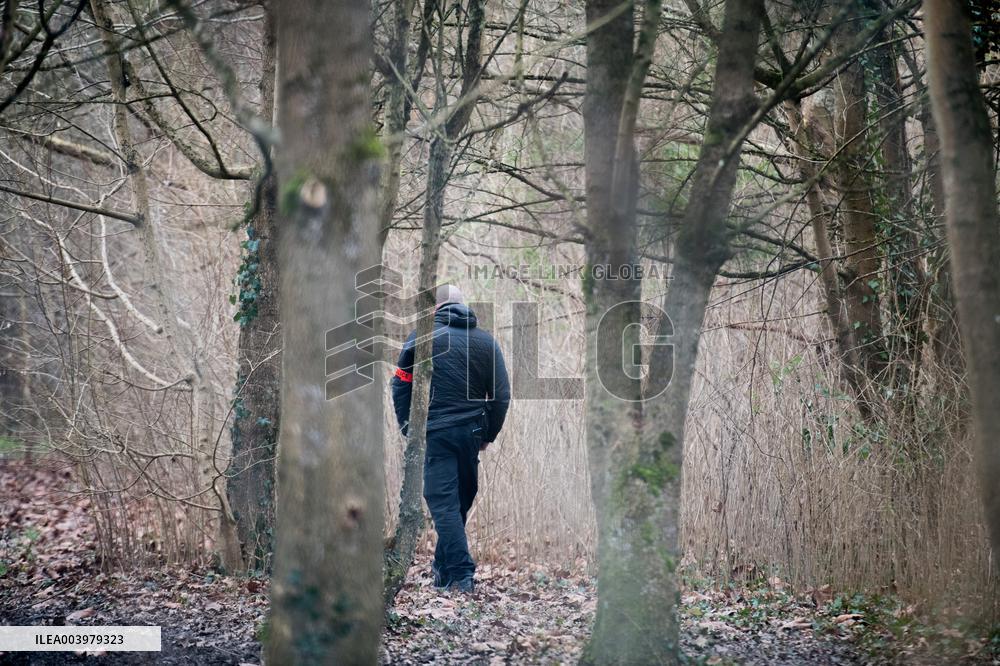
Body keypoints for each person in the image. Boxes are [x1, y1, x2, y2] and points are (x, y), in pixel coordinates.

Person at [391, 284, 510, 592]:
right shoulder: (487, 342)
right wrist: (488, 434)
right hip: (471, 434)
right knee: (457, 503)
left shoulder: (421, 337)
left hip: (437, 433)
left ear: (435, 309)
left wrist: (408, 428)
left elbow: (400, 384)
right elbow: (501, 397)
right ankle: (445, 573)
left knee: (445, 504)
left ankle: (460, 574)